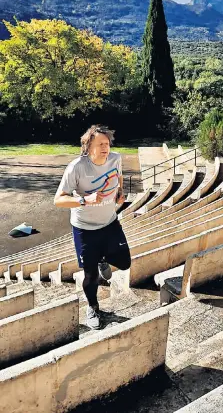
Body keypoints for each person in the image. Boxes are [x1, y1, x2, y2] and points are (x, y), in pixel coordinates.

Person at [54, 124, 131, 330]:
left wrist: (120, 192)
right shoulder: (77, 167)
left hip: (109, 222)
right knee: (91, 276)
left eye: (107, 143)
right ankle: (93, 307)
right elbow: (58, 200)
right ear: (88, 147)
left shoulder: (116, 158)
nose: (106, 147)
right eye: (100, 144)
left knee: (124, 263)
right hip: (84, 228)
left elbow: (119, 177)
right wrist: (85, 200)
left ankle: (103, 258)